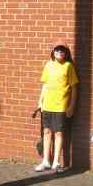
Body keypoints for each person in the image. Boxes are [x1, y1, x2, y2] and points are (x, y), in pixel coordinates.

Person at [35, 44, 78, 172]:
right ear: (53, 52)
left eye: (63, 50)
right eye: (58, 50)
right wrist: (40, 102)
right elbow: (45, 85)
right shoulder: (48, 65)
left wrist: (71, 106)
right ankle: (46, 161)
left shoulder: (68, 66)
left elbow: (74, 88)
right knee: (47, 132)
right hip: (47, 105)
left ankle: (56, 162)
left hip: (61, 106)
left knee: (59, 133)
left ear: (66, 53)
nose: (60, 52)